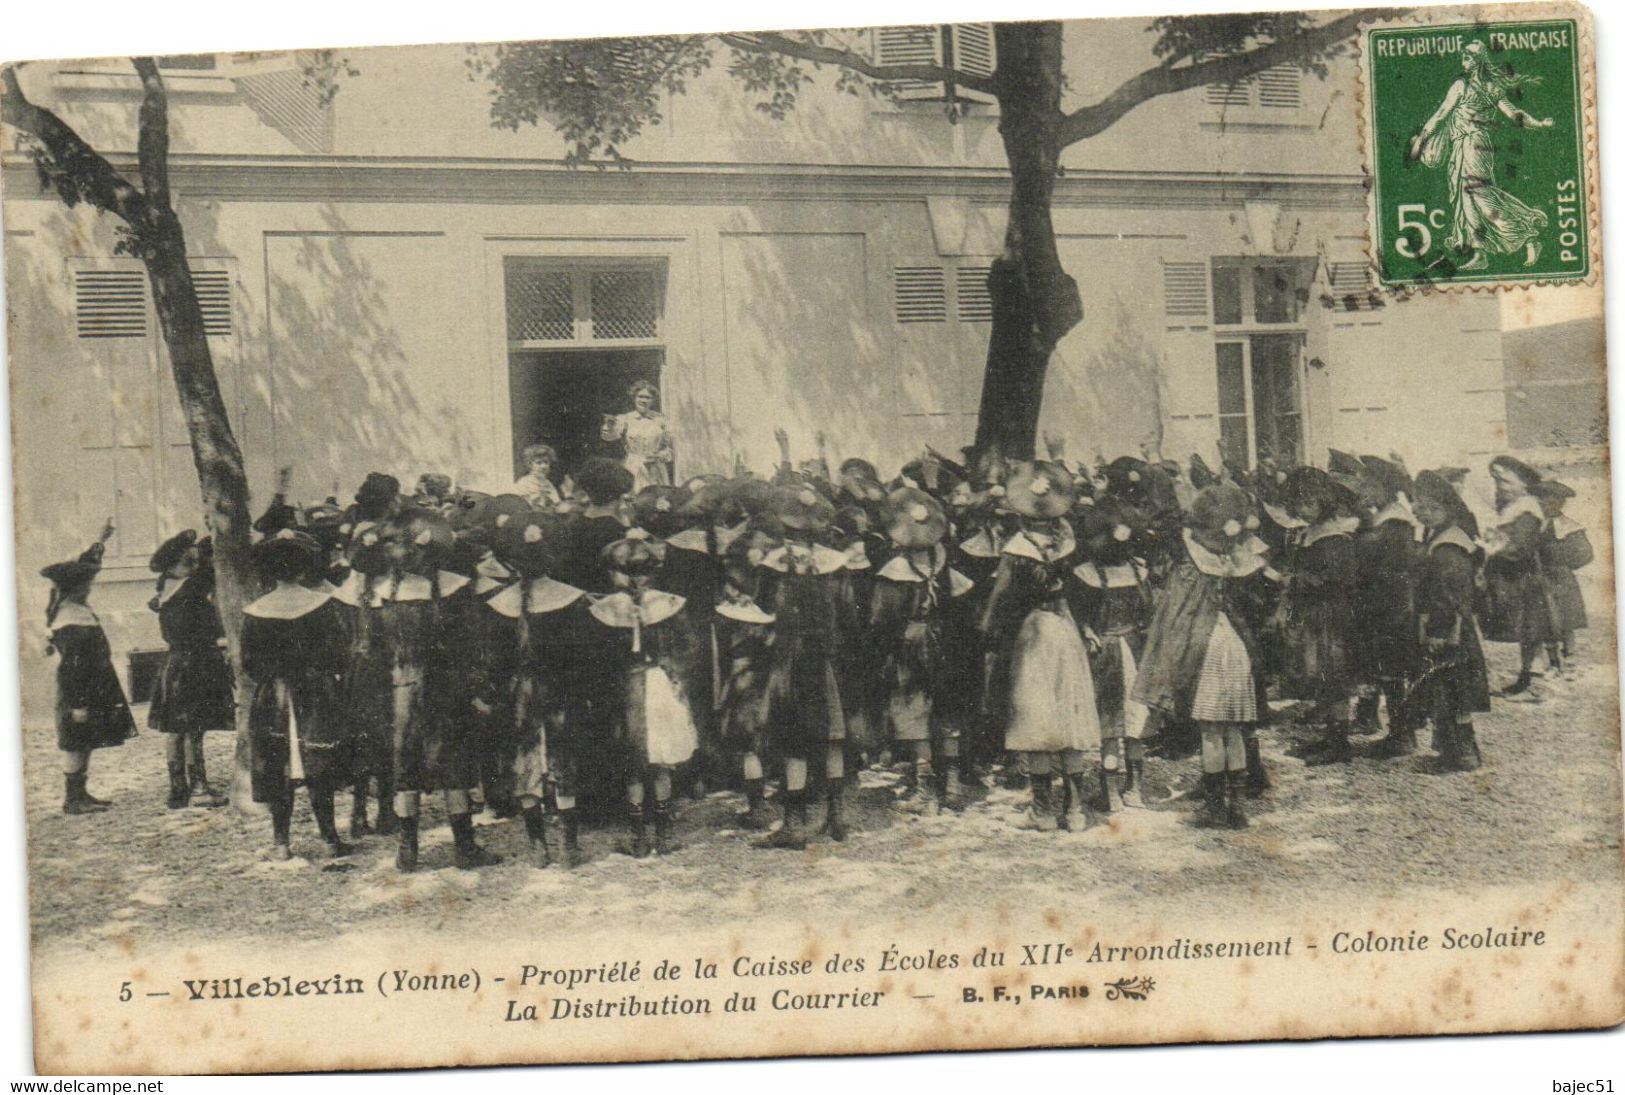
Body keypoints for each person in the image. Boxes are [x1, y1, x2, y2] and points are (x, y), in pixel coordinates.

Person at [1133, 485, 1273, 829]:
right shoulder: (1238, 564)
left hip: (1208, 649)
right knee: (1235, 730)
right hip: (1236, 647)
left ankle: (1214, 805)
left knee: (1211, 732)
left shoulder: (1192, 566)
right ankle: (1237, 805)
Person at [978, 461, 1102, 832]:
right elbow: (1079, 592)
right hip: (1065, 629)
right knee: (1070, 710)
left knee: (1037, 714)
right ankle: (1076, 808)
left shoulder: (1017, 550)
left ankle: (1043, 810)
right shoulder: (1067, 545)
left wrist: (988, 630)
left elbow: (1000, 599)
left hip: (1033, 633)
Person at [242, 530, 353, 858]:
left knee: (277, 763)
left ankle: (281, 843)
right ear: (304, 569)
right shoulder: (322, 605)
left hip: (272, 698)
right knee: (319, 761)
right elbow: (340, 653)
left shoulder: (255, 611)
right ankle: (330, 839)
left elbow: (248, 664)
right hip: (315, 693)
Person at [591, 532, 700, 856]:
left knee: (633, 762)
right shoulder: (668, 603)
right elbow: (689, 647)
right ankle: (663, 835)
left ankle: (638, 837)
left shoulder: (606, 609)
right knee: (662, 760)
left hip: (627, 686)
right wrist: (675, 673)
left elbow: (600, 657)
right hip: (660, 685)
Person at [758, 484, 853, 847]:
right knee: (832, 733)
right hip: (828, 656)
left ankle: (793, 820)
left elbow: (764, 609)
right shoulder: (834, 563)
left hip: (790, 656)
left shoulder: (774, 563)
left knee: (793, 736)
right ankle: (836, 816)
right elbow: (848, 613)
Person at [869, 487, 974, 813]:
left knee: (914, 710)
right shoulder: (944, 563)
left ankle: (927, 790)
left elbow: (880, 618)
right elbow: (962, 602)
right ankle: (953, 786)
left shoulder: (895, 572)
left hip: (911, 642)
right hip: (946, 639)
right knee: (946, 709)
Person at [1408, 38, 1554, 271]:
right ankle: (1480, 253)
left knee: (1480, 197)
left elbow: (1440, 116)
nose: (1462, 60)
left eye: (1466, 57)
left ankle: (1528, 236)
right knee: (1468, 199)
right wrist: (1539, 124)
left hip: (1472, 145)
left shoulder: (1462, 86)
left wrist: (1421, 142)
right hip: (1469, 145)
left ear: (1476, 62)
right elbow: (1516, 115)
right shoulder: (1491, 88)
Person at [42, 524, 135, 815]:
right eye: (86, 586)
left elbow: (85, 564)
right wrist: (78, 704)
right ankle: (72, 799)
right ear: (76, 588)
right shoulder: (69, 619)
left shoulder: (71, 607)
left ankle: (81, 793)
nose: (89, 588)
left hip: (90, 686)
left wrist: (100, 540)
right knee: (74, 743)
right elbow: (71, 667)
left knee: (85, 742)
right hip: (77, 692)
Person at [1277, 466, 1362, 765]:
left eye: (1309, 503)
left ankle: (1340, 744)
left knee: (1334, 676)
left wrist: (1297, 579)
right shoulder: (1310, 532)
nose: (1303, 510)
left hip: (1331, 616)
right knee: (1322, 676)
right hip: (1315, 615)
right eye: (1299, 504)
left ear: (1323, 501)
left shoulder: (1335, 537)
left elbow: (1339, 579)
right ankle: (1330, 736)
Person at [1410, 471, 1492, 771]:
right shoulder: (1441, 536)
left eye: (1433, 508)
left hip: (1449, 630)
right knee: (1445, 689)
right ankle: (1453, 751)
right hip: (1446, 627)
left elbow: (1448, 594)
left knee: (1454, 689)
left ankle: (1463, 754)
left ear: (1448, 508)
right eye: (1422, 507)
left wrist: (1436, 631)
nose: (1426, 514)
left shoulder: (1448, 546)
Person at [147, 529, 234, 809]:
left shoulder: (166, 590)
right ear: (173, 567)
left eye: (195, 562)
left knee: (176, 730)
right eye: (189, 563)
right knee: (194, 730)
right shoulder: (189, 590)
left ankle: (177, 789)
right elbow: (209, 573)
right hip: (195, 664)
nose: (195, 568)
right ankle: (199, 789)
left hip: (175, 664)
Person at [1351, 455, 1423, 757]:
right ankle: (1386, 725)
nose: (1360, 489)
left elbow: (1389, 567)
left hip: (1394, 606)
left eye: (1366, 484)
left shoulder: (1395, 522)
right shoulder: (1383, 516)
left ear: (1384, 487)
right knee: (1384, 669)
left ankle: (1403, 735)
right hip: (1382, 603)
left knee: (1394, 672)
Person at [1482, 455, 1560, 696]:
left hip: (1525, 580)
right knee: (1528, 633)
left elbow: (1520, 547)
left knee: (1532, 631)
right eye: (1496, 482)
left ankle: (1536, 684)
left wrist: (1494, 548)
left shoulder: (1527, 511)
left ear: (1524, 484)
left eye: (1504, 482)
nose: (1499, 488)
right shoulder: (1514, 510)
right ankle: (1526, 679)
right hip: (1518, 578)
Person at [1533, 480, 1592, 676]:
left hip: (1561, 580)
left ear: (1560, 504)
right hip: (1541, 579)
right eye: (1542, 503)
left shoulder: (1570, 527)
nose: (1546, 507)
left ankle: (1570, 661)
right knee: (1545, 622)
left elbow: (1585, 554)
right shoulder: (1535, 526)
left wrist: (1562, 560)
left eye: (1550, 503)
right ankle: (1553, 662)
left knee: (1565, 623)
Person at [601, 380, 674, 490]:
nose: (643, 400)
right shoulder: (625, 419)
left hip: (656, 469)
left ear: (653, 400)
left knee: (657, 501)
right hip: (634, 467)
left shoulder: (661, 420)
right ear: (634, 398)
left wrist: (659, 456)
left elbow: (669, 449)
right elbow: (610, 437)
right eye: (640, 396)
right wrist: (609, 426)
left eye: (647, 397)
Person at [512, 443, 565, 510]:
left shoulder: (548, 484)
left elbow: (557, 504)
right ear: (530, 465)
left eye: (546, 462)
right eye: (538, 463)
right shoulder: (523, 484)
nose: (543, 466)